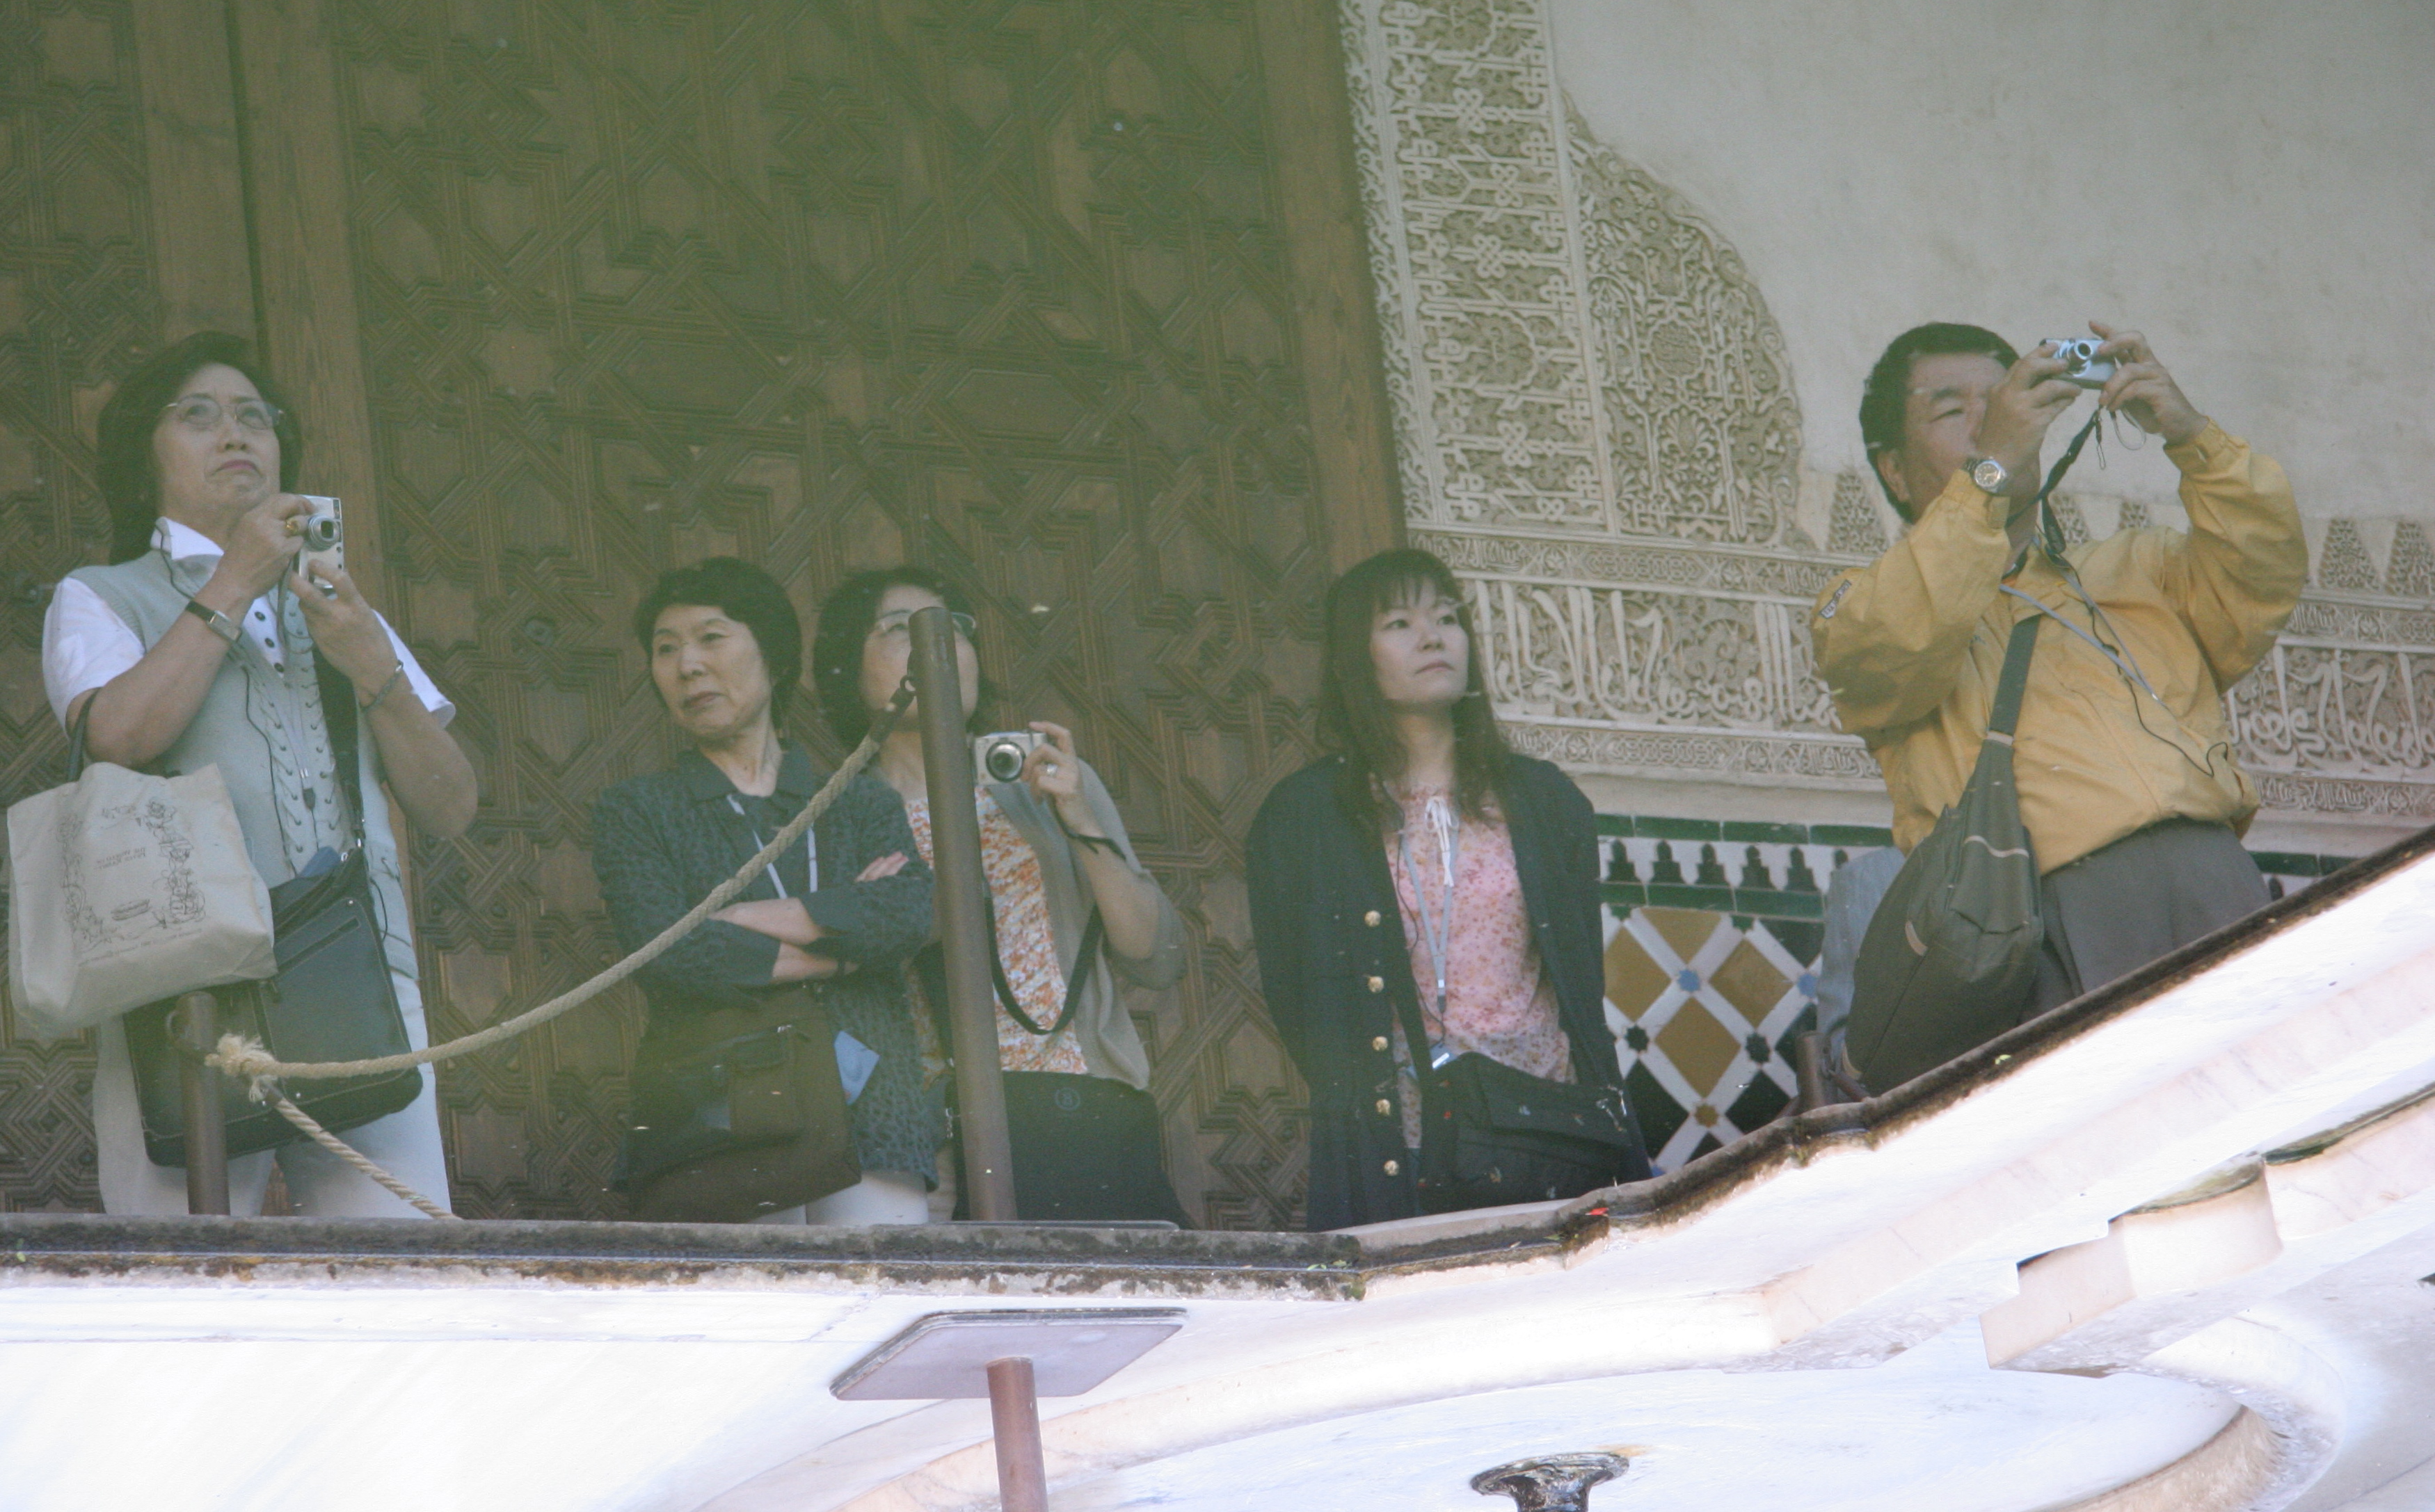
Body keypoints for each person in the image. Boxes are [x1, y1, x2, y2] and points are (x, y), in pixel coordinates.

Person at [40, 330, 476, 1216]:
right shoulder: (99, 594)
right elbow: (120, 733)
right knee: (182, 1265)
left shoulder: (337, 604)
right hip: (180, 983)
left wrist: (373, 665)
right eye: (198, 416)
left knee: (398, 1265)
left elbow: (452, 805)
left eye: (254, 417)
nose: (234, 433)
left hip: (356, 975)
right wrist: (236, 577)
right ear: (145, 455)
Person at [1814, 321, 2306, 1063]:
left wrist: (2189, 436)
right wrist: (1988, 470)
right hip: (2044, 920)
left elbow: (2265, 568)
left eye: (2004, 399)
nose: (1992, 422)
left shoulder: (2134, 569)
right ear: (1893, 471)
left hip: (2215, 881)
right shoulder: (1856, 606)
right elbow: (1896, 640)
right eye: (1951, 410)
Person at [1246, 547, 1647, 1231]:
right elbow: (1297, 999)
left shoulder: (1544, 799)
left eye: (1447, 617)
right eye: (1399, 623)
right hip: (1399, 1142)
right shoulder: (1306, 815)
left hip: (1550, 1134)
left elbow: (1580, 974)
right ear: (1354, 658)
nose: (1432, 637)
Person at [811, 567, 1191, 1225]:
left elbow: (1154, 956)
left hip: (1076, 1107)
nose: (936, 647)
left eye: (953, 629)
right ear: (850, 668)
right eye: (900, 629)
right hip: (925, 1138)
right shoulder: (839, 816)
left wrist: (1078, 815)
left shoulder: (1037, 779)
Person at [592, 558, 943, 1225]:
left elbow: (905, 914)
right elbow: (669, 954)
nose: (688, 665)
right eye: (666, 649)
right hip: (719, 1117)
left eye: (711, 637)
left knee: (879, 1280)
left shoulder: (859, 802)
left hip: (872, 1111)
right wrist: (846, 949)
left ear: (775, 657)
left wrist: (734, 919)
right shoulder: (638, 810)